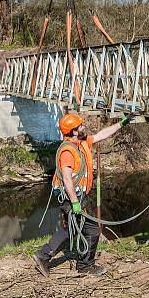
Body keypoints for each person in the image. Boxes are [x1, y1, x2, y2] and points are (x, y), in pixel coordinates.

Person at [32, 112, 130, 277]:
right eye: (81, 126)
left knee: (71, 228)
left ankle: (42, 256)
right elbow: (67, 179)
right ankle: (85, 266)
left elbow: (101, 135)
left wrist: (122, 124)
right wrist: (75, 202)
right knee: (92, 230)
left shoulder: (81, 142)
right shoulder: (68, 151)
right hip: (71, 196)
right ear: (74, 131)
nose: (84, 127)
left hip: (77, 195)